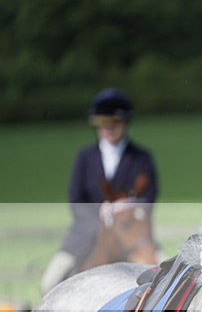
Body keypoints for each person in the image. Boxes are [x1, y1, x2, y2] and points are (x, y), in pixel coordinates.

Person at [41, 88, 158, 294]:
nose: (108, 129)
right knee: (50, 283)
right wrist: (102, 217)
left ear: (125, 123)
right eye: (103, 124)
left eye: (114, 123)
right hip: (86, 235)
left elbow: (149, 197)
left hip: (131, 236)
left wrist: (125, 208)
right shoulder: (85, 158)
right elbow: (76, 200)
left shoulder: (141, 158)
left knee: (161, 279)